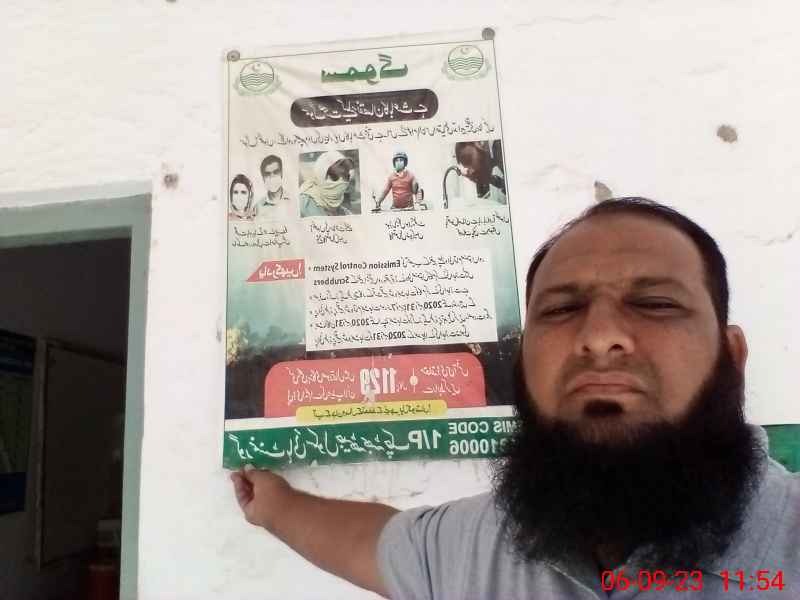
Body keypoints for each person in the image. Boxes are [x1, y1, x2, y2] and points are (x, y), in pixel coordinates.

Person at [231, 198, 800, 599]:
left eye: (655, 304)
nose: (600, 335)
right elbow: (374, 545)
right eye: (562, 309)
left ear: (732, 356)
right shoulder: (475, 549)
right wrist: (275, 506)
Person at [299, 151, 356, 217]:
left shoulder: (344, 212)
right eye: (334, 176)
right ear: (320, 175)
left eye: (345, 176)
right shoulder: (302, 204)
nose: (340, 182)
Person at [454, 139, 506, 205]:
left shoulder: (499, 147)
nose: (472, 170)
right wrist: (489, 179)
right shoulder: (494, 155)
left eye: (469, 160)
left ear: (480, 143)